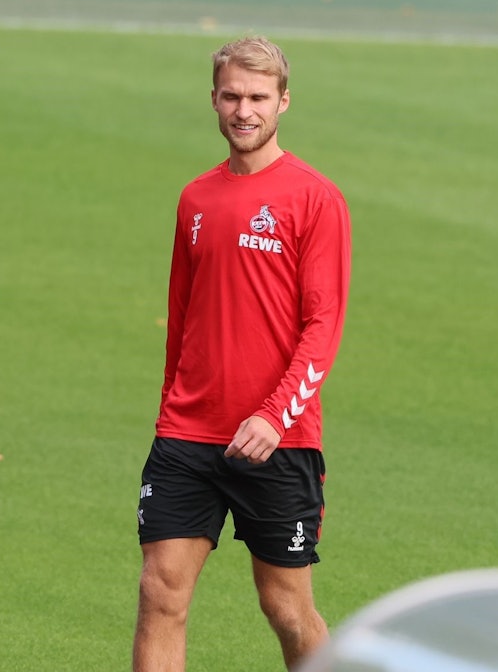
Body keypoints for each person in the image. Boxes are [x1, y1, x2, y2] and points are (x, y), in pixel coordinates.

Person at [132, 36, 352, 671]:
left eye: (258, 97)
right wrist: (170, 412)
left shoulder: (314, 198)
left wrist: (274, 415)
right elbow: (182, 319)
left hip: (277, 439)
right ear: (214, 100)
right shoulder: (195, 199)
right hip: (187, 433)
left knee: (284, 606)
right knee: (159, 591)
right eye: (231, 95)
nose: (243, 110)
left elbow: (323, 325)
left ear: (283, 102)